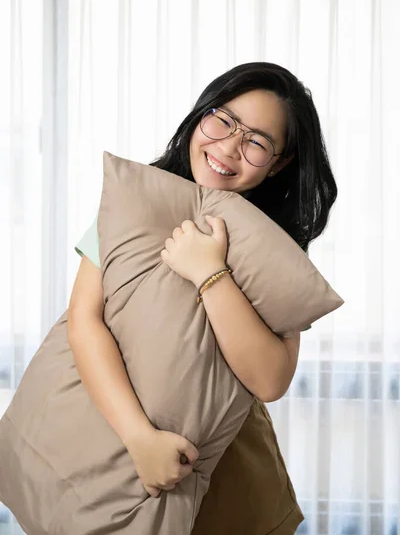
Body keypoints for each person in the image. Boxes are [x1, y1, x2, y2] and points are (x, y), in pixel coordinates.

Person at [68, 61, 337, 533]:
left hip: (233, 480)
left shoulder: (273, 247)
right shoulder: (133, 201)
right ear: (200, 116)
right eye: (223, 120)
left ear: (280, 163)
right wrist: (139, 438)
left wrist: (210, 272)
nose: (228, 147)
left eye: (257, 142)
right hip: (115, 448)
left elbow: (271, 380)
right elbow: (83, 320)